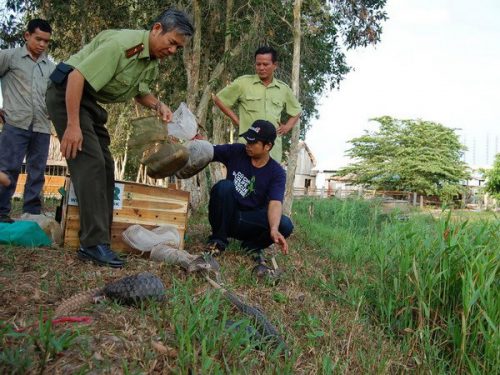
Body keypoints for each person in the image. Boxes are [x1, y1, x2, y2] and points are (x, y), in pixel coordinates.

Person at [45, 9, 194, 268]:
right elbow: (76, 76)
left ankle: (101, 239)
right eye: (172, 43)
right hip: (67, 92)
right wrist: (71, 126)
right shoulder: (122, 45)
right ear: (157, 28)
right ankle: (92, 246)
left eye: (178, 49)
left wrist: (159, 106)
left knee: (105, 166)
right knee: (89, 163)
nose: (172, 51)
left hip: (87, 101)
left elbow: (140, 93)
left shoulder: (150, 60)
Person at [206, 119, 294, 270]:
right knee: (224, 187)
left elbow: (275, 202)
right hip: (227, 216)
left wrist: (274, 229)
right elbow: (210, 151)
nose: (248, 144)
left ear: (268, 146)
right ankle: (218, 240)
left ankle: (252, 246)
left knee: (285, 225)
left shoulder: (277, 172)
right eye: (247, 140)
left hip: (249, 221)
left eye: (253, 143)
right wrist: (200, 145)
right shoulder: (236, 151)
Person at [0, 19, 55, 223]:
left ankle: (31, 212)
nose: (42, 44)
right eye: (38, 39)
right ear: (27, 36)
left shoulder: (49, 67)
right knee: (8, 168)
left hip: (41, 126)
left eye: (46, 41)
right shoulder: (10, 57)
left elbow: (54, 95)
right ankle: (1, 212)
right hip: (15, 123)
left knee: (37, 171)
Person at [212, 46, 301, 162]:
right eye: (258, 64)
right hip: (247, 147)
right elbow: (218, 99)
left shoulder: (283, 89)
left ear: (275, 65)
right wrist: (236, 120)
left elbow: (296, 110)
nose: (261, 68)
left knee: (269, 179)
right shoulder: (243, 83)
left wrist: (287, 127)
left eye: (265, 64)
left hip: (272, 149)